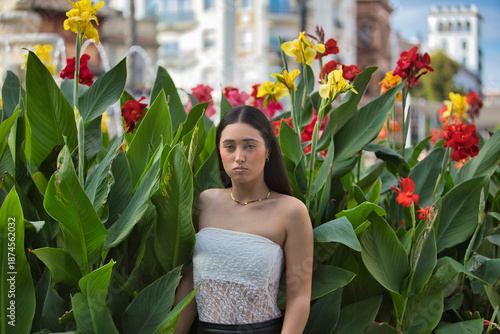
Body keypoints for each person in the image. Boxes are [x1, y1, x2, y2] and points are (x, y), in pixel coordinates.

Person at [174, 105, 313, 334]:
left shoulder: (291, 211)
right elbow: (191, 282)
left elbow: (299, 297)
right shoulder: (205, 202)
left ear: (268, 150)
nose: (239, 157)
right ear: (219, 150)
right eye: (229, 147)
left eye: (250, 146)